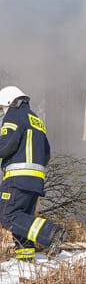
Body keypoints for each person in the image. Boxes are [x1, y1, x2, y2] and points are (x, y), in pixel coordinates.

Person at [0, 86, 65, 261]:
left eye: (2, 108)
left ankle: (50, 233)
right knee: (24, 219)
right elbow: (47, 152)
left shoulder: (13, 115)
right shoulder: (36, 119)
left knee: (8, 216)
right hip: (35, 180)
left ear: (9, 102)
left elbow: (6, 146)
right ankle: (26, 257)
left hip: (17, 178)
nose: (2, 112)